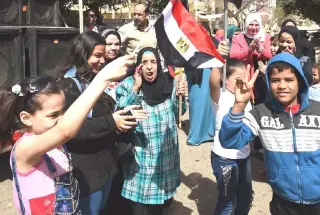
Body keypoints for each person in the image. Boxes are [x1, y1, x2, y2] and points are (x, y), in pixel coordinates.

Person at [219, 52, 320, 215]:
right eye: (275, 80)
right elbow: (229, 141)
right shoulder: (260, 114)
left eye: (289, 80)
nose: (282, 86)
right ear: (267, 82)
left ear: (300, 81)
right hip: (284, 201)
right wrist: (238, 106)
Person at [1, 53, 135, 214]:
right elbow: (66, 130)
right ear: (26, 118)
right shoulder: (25, 148)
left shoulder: (52, 141)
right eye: (53, 115)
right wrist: (104, 77)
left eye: (63, 111)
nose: (62, 119)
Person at [57, 31, 148, 215]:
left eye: (103, 56)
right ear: (82, 54)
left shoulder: (92, 79)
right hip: (87, 173)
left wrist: (123, 115)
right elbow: (74, 129)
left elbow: (104, 115)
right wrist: (111, 121)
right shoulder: (68, 85)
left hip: (106, 166)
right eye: (97, 55)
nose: (102, 61)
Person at [116, 47, 187, 215]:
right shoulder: (128, 84)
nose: (149, 67)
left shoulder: (169, 82)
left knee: (163, 207)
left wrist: (179, 96)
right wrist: (136, 89)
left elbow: (179, 111)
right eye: (144, 63)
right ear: (138, 66)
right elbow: (121, 112)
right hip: (142, 164)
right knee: (141, 209)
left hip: (166, 161)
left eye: (153, 62)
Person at [209, 59, 253, 215]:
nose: (243, 84)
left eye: (245, 79)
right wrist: (218, 58)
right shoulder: (221, 96)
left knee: (245, 197)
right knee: (227, 201)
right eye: (238, 80)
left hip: (244, 155)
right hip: (224, 158)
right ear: (225, 78)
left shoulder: (246, 98)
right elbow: (213, 82)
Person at [230, 13, 272, 105]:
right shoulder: (238, 37)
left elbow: (269, 55)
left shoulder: (266, 37)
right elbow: (233, 54)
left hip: (261, 75)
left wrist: (260, 49)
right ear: (246, 25)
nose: (254, 27)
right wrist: (248, 50)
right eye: (251, 24)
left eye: (256, 25)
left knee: (261, 101)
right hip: (244, 74)